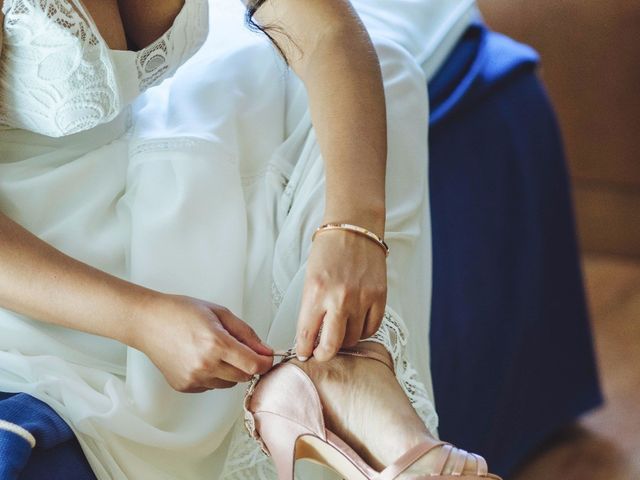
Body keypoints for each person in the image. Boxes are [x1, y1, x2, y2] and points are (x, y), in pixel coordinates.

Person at [0, 0, 499, 478]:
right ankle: (335, 393)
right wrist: (142, 318)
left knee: (385, 72)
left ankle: (349, 367)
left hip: (137, 155)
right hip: (38, 253)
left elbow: (326, 31)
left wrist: (353, 228)